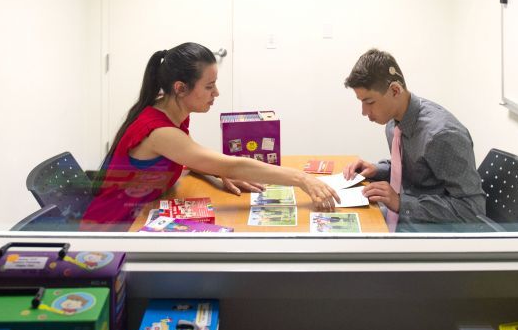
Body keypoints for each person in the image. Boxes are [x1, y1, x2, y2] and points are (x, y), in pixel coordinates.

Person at [81, 42, 339, 231]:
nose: (216, 93)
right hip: (112, 231)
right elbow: (231, 163)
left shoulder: (169, 110)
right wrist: (302, 179)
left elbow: (187, 154)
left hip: (136, 217)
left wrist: (216, 171)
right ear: (180, 88)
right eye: (208, 86)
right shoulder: (160, 130)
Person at [342, 48, 485, 231]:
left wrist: (402, 203)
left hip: (431, 231)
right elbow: (413, 170)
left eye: (369, 102)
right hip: (408, 215)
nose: (364, 112)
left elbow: (473, 211)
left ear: (395, 90)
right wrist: (377, 169)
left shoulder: (442, 135)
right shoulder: (394, 122)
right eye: (361, 102)